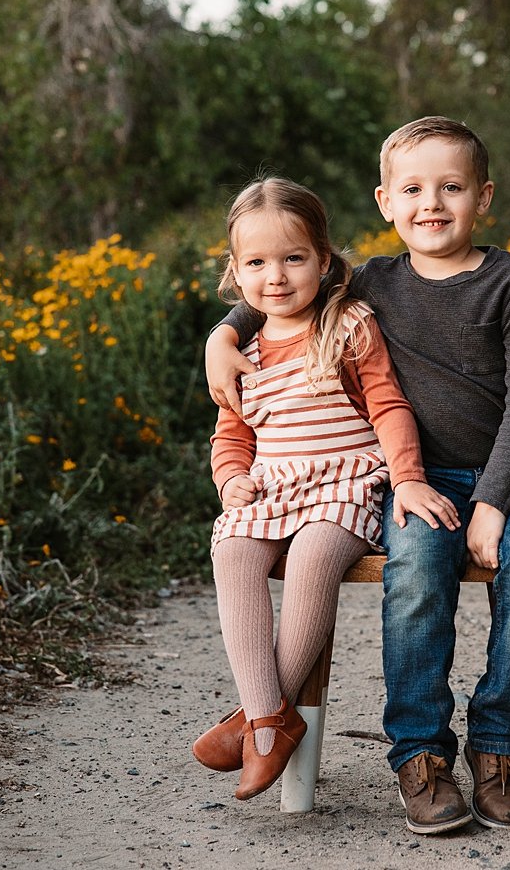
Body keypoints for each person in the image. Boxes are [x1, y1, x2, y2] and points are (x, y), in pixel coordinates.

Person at [206, 117, 510, 833]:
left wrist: (494, 502)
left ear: (483, 197)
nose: (430, 203)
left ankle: (498, 739)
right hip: (414, 480)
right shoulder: (372, 278)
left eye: (451, 187)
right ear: (385, 202)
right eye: (412, 188)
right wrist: (223, 335)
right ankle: (420, 754)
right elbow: (281, 276)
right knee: (414, 575)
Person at [192, 176, 460, 802]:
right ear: (236, 272)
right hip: (273, 487)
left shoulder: (349, 325)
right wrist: (231, 478)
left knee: (314, 554)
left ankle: (258, 724)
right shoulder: (240, 351)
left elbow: (390, 407)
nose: (276, 276)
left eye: (293, 258)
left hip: (343, 483)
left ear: (323, 260)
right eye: (256, 262)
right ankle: (267, 717)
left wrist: (407, 476)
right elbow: (230, 432)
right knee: (231, 551)